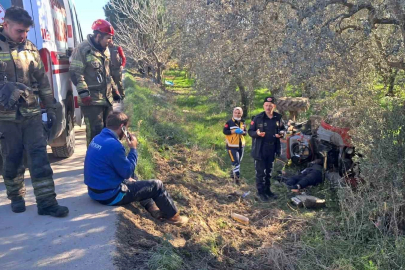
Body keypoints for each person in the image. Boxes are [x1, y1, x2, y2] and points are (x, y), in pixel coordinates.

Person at [0, 7, 68, 217]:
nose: (24, 36)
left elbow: (42, 80)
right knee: (12, 159)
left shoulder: (30, 48)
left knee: (39, 158)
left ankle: (47, 203)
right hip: (6, 118)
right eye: (20, 31)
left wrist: (52, 106)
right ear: (6, 25)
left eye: (26, 32)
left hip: (31, 114)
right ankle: (16, 196)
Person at [83, 112, 189, 226]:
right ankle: (173, 217)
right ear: (122, 127)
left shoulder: (97, 138)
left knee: (135, 178)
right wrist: (133, 149)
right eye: (126, 128)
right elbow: (127, 171)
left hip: (94, 192)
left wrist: (128, 177)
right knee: (156, 185)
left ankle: (152, 208)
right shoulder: (114, 145)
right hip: (109, 196)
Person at [70, 19, 121, 146]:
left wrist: (115, 90)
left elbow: (107, 73)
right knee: (95, 133)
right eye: (108, 38)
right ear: (98, 36)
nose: (110, 41)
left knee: (108, 132)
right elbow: (76, 73)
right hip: (91, 101)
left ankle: (105, 161)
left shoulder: (105, 50)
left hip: (106, 100)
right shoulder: (82, 49)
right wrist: (84, 94)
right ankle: (93, 162)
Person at [248, 97, 285, 201]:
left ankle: (267, 191)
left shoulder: (278, 117)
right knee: (261, 172)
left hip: (272, 147)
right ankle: (260, 193)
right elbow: (250, 131)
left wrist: (281, 134)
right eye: (266, 105)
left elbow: (283, 129)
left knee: (269, 171)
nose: (268, 107)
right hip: (261, 148)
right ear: (263, 106)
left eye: (270, 105)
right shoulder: (258, 118)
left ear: (274, 106)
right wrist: (257, 133)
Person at [223, 107, 246, 185]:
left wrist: (242, 132)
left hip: (241, 145)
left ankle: (232, 175)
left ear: (241, 114)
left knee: (238, 162)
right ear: (233, 113)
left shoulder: (243, 122)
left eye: (239, 113)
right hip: (232, 146)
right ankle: (237, 180)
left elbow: (245, 133)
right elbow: (225, 131)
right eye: (235, 113)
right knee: (235, 162)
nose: (237, 114)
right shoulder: (229, 122)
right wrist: (234, 131)